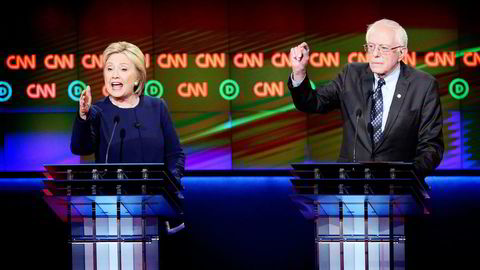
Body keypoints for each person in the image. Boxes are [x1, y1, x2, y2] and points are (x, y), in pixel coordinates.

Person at [288, 19, 444, 179]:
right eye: (371, 46)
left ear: (402, 53)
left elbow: (432, 146)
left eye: (383, 48)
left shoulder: (422, 85)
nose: (375, 54)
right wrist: (299, 72)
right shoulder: (351, 75)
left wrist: (407, 176)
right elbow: (312, 102)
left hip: (399, 191)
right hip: (350, 186)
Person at [71, 41, 185, 181]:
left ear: (137, 77)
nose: (115, 75)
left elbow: (175, 154)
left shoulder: (157, 107)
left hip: (155, 196)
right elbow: (81, 149)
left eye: (123, 69)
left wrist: (172, 183)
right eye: (110, 69)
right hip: (112, 198)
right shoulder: (98, 111)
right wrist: (83, 116)